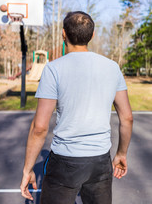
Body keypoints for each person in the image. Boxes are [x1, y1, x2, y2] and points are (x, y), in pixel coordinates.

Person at [20, 11, 133, 204]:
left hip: (65, 161)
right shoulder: (112, 67)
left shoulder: (53, 69)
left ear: (63, 34)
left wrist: (28, 169)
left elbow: (39, 128)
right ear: (92, 35)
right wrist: (121, 154)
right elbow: (127, 118)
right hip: (100, 160)